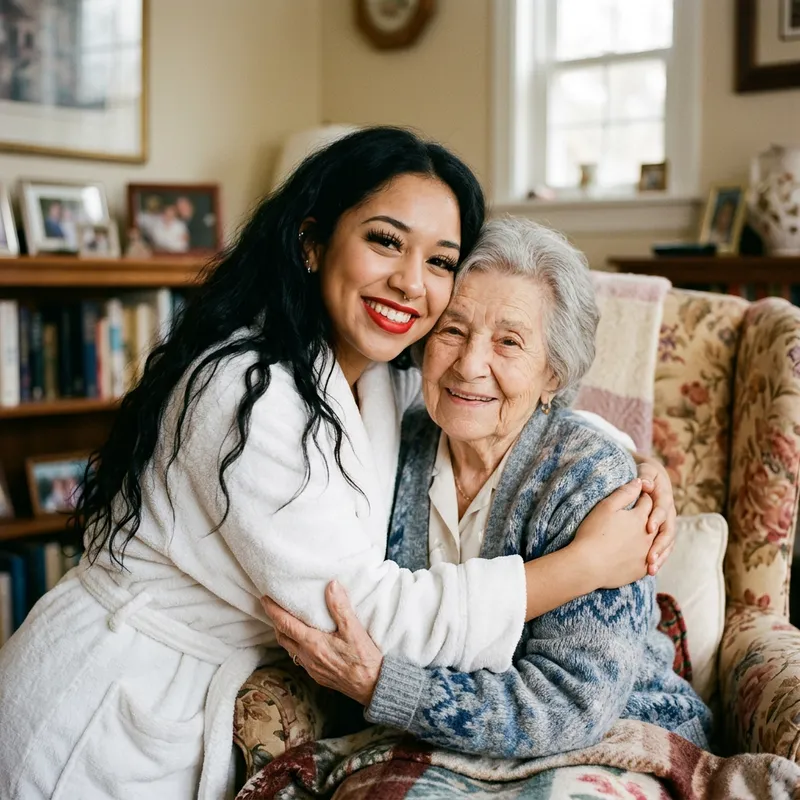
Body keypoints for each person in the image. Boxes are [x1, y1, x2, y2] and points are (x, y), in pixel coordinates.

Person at [0, 128, 674, 800]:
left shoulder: (376, 378)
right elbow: (365, 614)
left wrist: (634, 464)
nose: (411, 281)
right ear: (313, 242)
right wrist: (586, 564)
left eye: (440, 261)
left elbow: (502, 403)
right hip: (99, 711)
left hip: (191, 708)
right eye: (385, 241)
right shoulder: (247, 394)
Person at [264, 218, 711, 760]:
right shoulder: (391, 446)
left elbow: (569, 706)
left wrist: (383, 686)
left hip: (619, 735)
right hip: (432, 741)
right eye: (452, 331)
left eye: (509, 342)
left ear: (553, 375)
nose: (470, 365)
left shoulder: (593, 482)